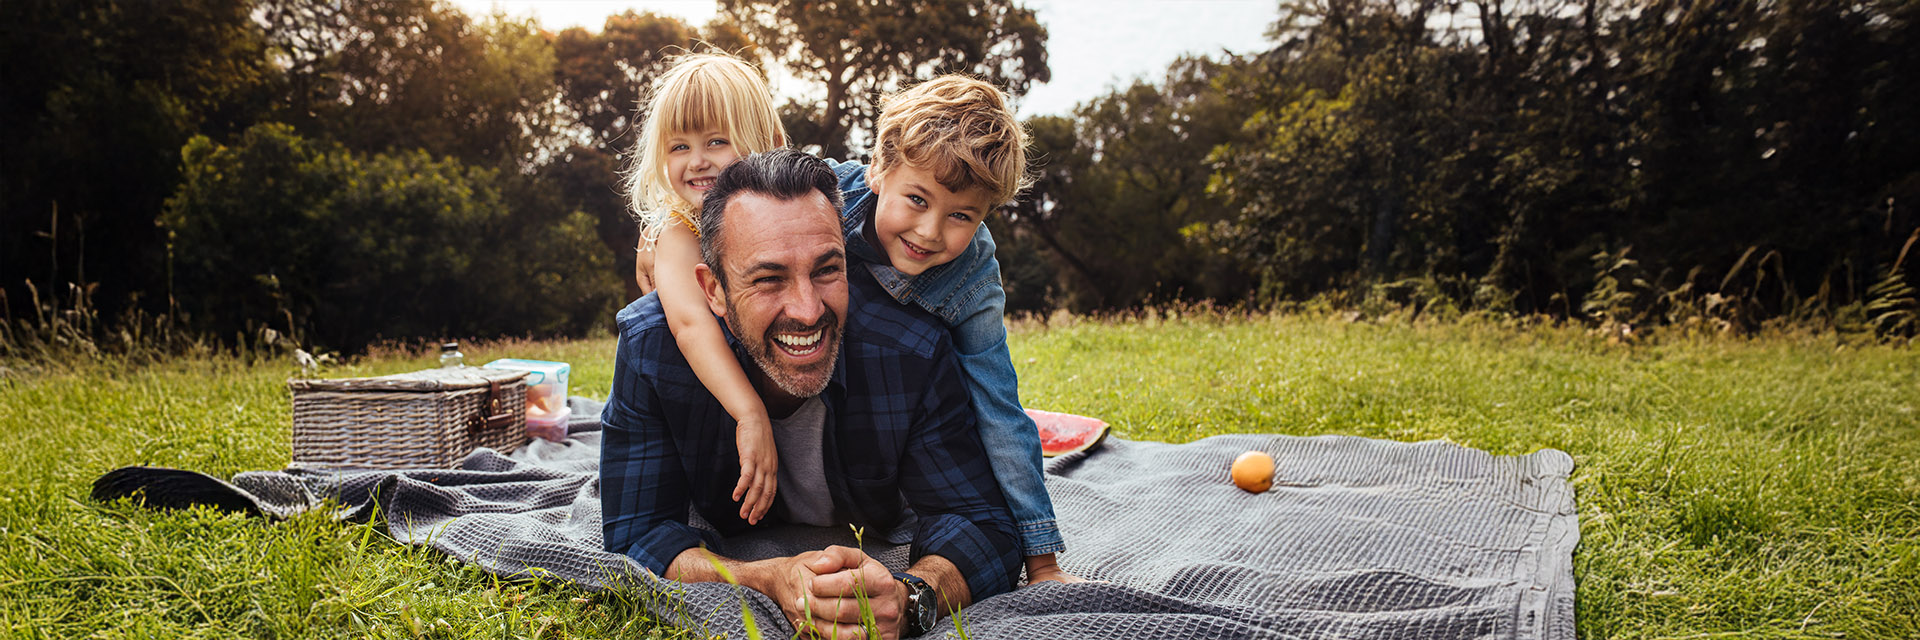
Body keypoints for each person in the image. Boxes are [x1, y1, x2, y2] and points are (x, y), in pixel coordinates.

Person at [601, 149, 1021, 639]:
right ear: (712, 290)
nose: (806, 310)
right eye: (768, 279)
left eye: (827, 270)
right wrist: (764, 578)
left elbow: (987, 527)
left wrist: (910, 597)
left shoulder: (910, 350)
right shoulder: (652, 348)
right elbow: (637, 535)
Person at [826, 75, 1083, 584]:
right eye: (917, 199)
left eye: (961, 215)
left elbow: (999, 406)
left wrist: (1042, 560)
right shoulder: (823, 192)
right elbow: (734, 206)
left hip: (892, 422)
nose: (929, 231)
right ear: (878, 168)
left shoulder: (972, 278)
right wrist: (665, 233)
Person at [626, 52, 788, 525]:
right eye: (678, 147)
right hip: (713, 407)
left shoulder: (789, 207)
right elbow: (690, 324)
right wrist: (749, 413)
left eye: (716, 141)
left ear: (769, 143)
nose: (696, 162)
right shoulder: (678, 229)